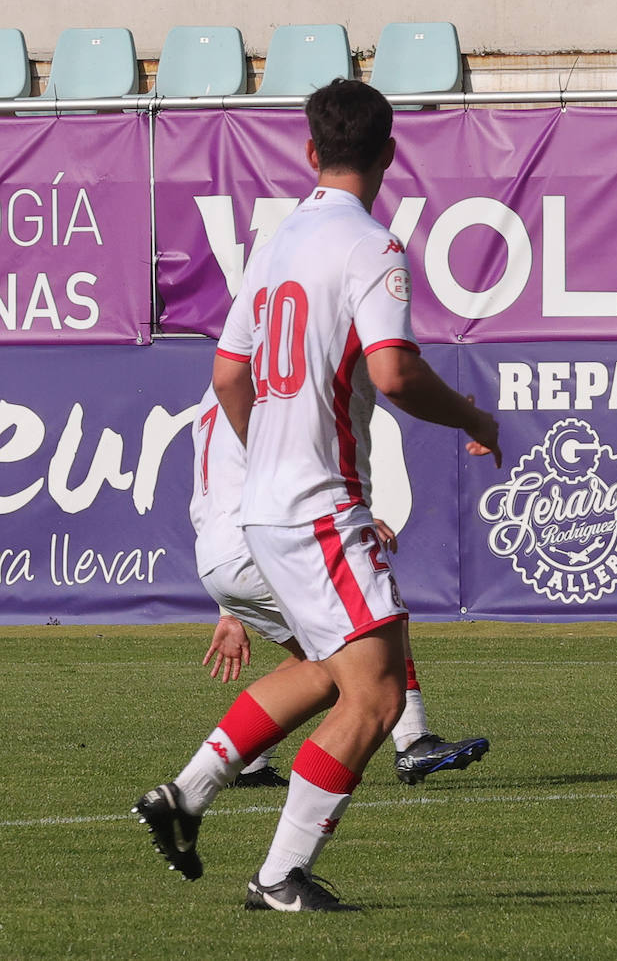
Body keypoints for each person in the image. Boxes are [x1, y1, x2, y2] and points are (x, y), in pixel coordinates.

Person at [135, 78, 501, 912]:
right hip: (318, 503)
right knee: (376, 694)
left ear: (309, 152)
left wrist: (268, 452)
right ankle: (279, 875)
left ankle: (187, 795)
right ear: (390, 155)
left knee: (325, 670)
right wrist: (477, 414)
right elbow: (394, 372)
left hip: (264, 507)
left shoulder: (277, 241)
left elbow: (230, 374)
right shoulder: (371, 245)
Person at [189, 384, 489, 788]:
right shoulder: (276, 369)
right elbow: (291, 457)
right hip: (264, 543)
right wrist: (345, 515)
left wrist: (228, 609)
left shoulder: (218, 385)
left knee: (320, 666)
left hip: (218, 555)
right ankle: (413, 741)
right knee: (379, 614)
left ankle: (248, 763)